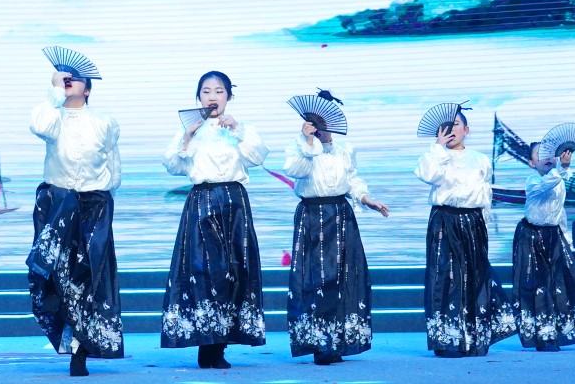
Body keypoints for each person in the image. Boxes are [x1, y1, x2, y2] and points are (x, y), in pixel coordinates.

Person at [160, 71, 268, 370]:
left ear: (228, 96)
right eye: (206, 91)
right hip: (202, 200)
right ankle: (206, 342)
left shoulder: (241, 129)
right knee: (203, 270)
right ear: (198, 97)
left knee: (233, 270)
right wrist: (187, 138)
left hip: (234, 202)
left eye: (219, 91)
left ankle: (220, 345)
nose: (212, 97)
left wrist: (238, 130)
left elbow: (257, 157)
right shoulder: (190, 129)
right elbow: (172, 166)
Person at [27, 64, 123, 377]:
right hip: (58, 206)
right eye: (64, 77)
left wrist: (104, 203)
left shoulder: (105, 122)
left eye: (75, 78)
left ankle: (80, 352)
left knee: (88, 276)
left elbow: (113, 169)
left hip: (94, 205)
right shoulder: (51, 115)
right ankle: (65, 336)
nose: (68, 81)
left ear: (89, 88)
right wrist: (55, 90)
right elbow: (39, 125)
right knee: (56, 275)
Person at [281, 92, 388, 365]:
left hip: (340, 214)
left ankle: (338, 340)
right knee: (315, 279)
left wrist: (366, 199)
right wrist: (308, 142)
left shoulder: (345, 149)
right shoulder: (298, 147)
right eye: (314, 121)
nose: (320, 126)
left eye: (324, 122)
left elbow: (352, 180)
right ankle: (319, 342)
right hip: (312, 215)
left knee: (343, 278)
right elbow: (295, 171)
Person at [414, 107, 515, 357]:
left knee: (475, 277)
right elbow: (428, 175)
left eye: (457, 124)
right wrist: (438, 148)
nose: (452, 129)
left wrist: (485, 224)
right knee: (443, 278)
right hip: (443, 219)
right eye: (447, 126)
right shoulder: (434, 155)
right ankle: (446, 340)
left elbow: (485, 193)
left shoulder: (480, 158)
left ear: (466, 130)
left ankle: (473, 337)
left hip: (473, 220)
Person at [511, 140, 575, 351]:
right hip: (531, 236)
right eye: (540, 155)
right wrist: (562, 168)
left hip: (554, 235)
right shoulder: (533, 181)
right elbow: (546, 186)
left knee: (560, 283)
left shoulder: (559, 181)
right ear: (531, 163)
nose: (546, 158)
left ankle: (557, 331)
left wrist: (565, 236)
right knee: (537, 285)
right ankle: (543, 335)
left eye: (549, 153)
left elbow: (559, 211)